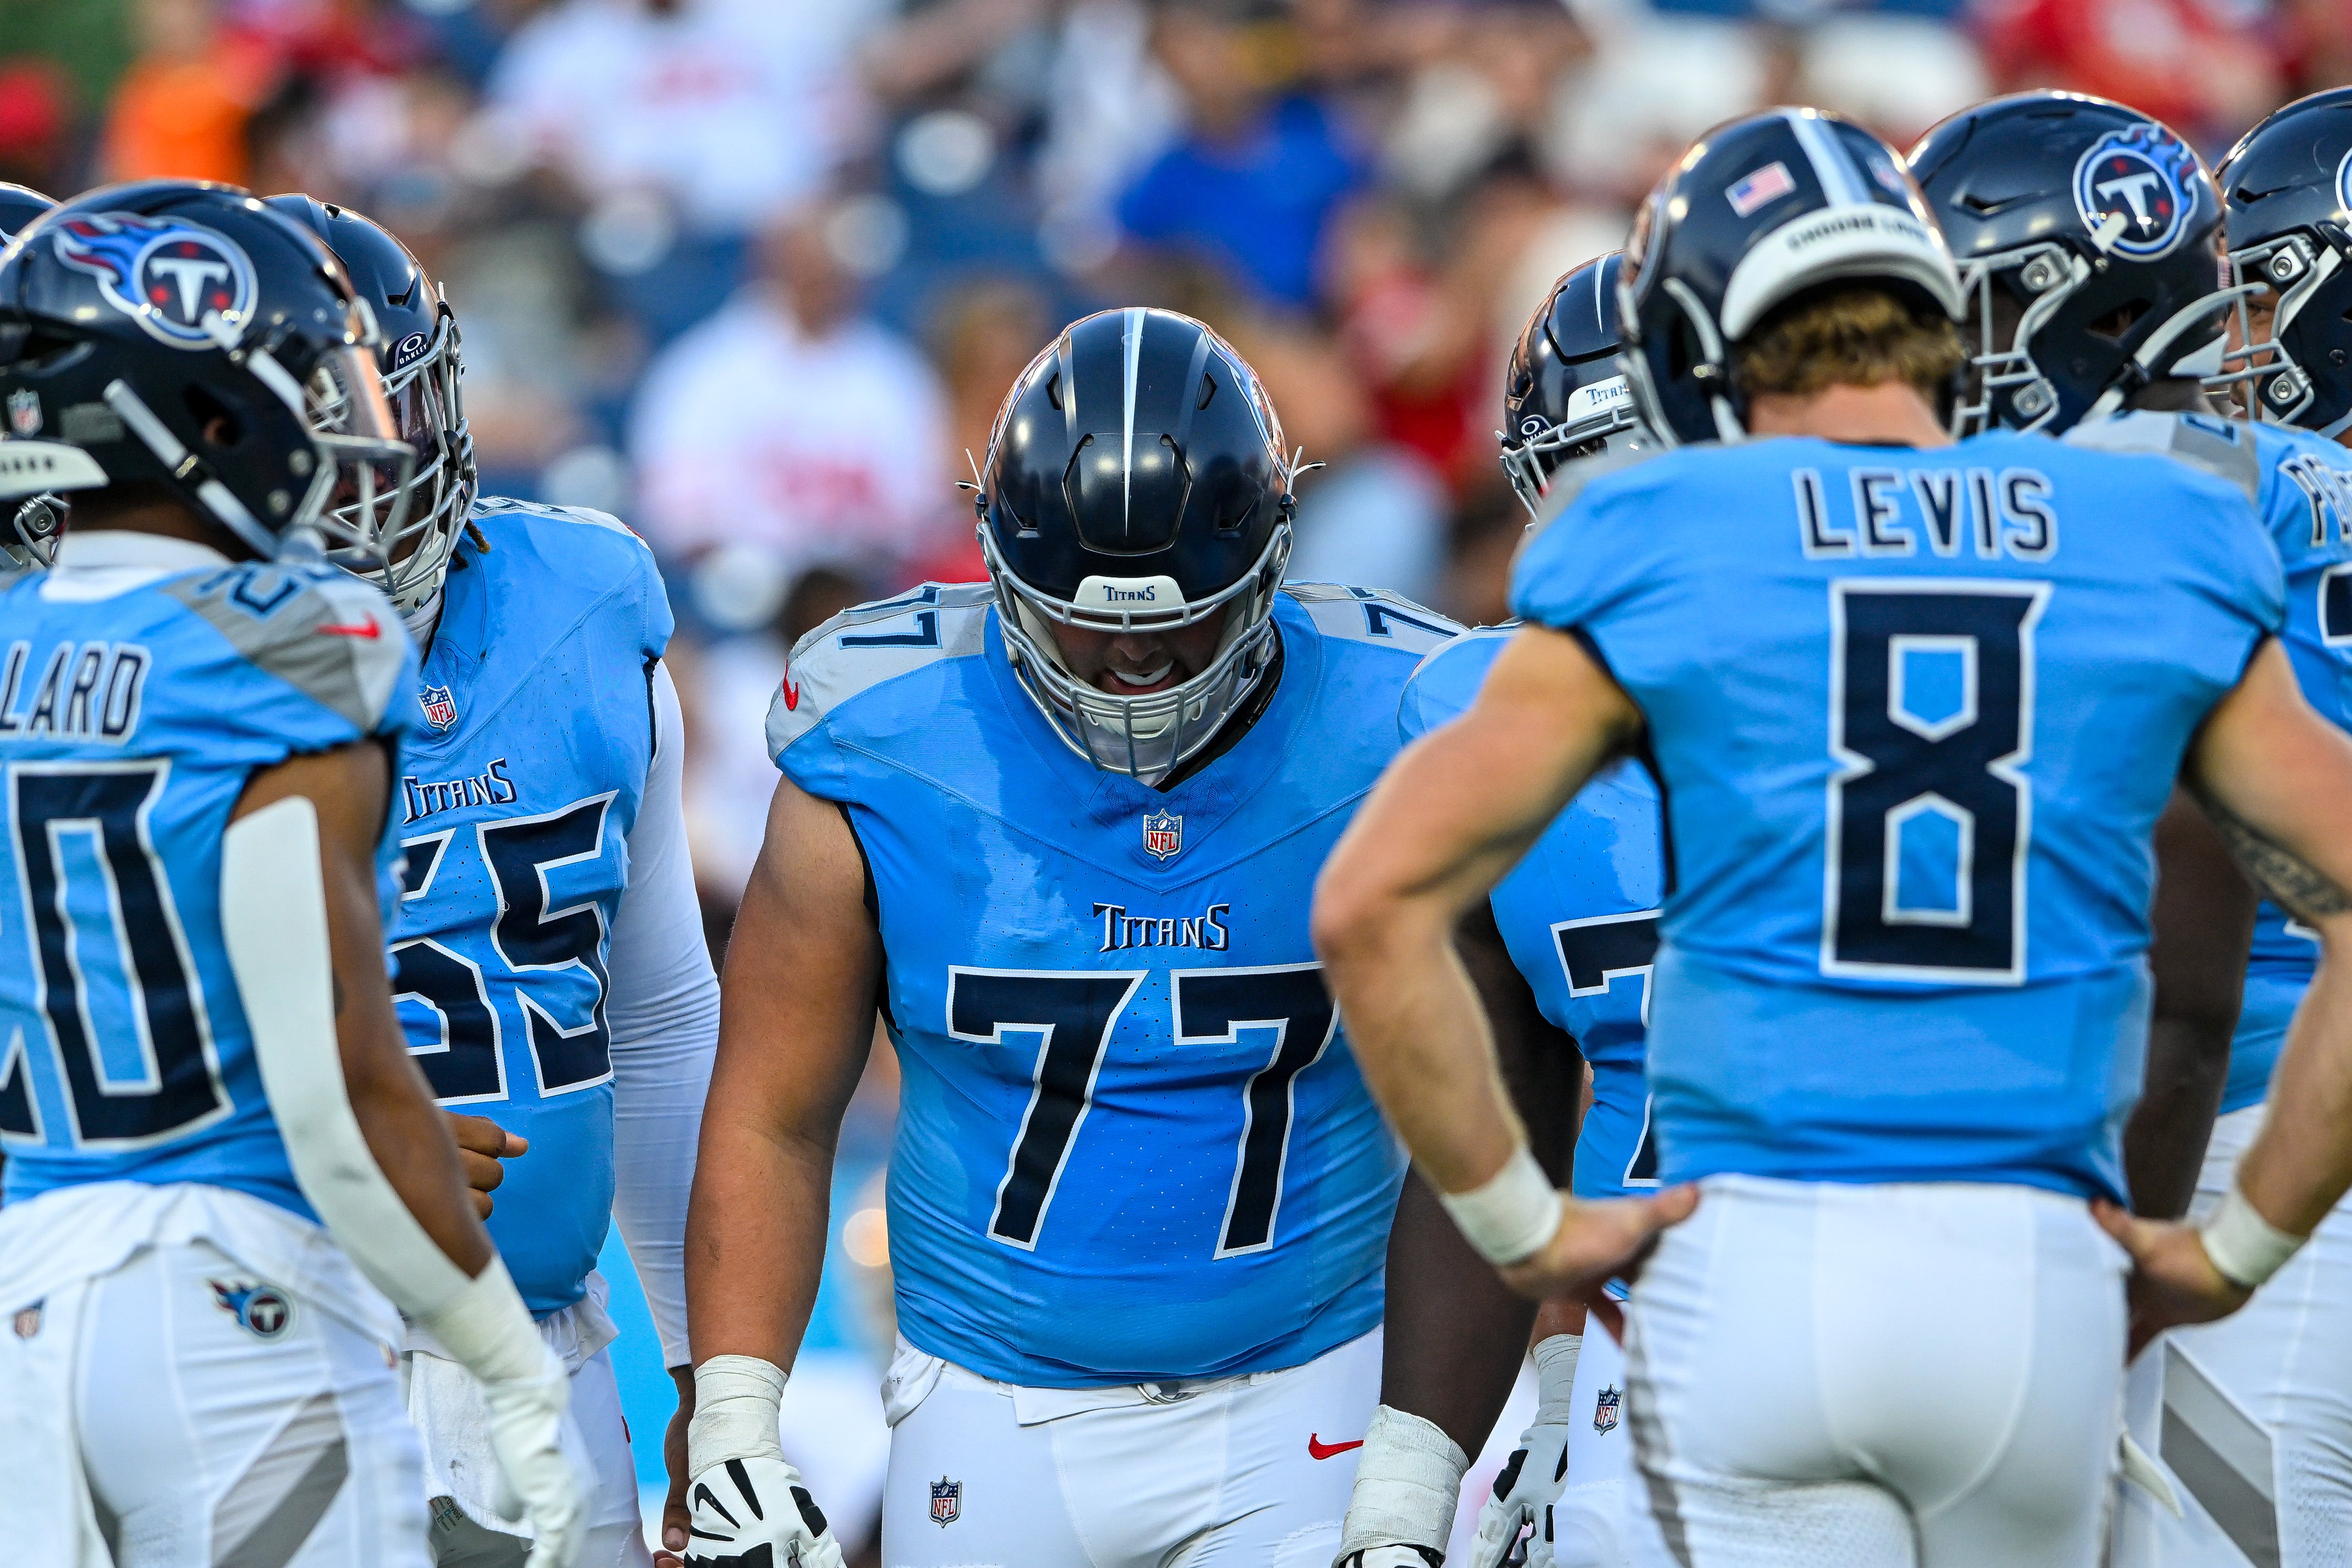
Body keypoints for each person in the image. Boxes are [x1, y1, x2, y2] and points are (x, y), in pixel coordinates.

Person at [1313, 106, 2352, 1568]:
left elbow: (1371, 907)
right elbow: (2234, 954)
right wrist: (2230, 1249)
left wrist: (1530, 1229)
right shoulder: (2147, 527)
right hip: (2032, 1264)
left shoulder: (1664, 535)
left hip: (1756, 1266)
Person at [682, 305, 1462, 1567]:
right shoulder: (878, 740)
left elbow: (1536, 1076)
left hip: (1314, 1385)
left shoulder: (1410, 721)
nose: (1133, 664)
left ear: (1269, 560)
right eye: (1088, 621)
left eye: (1178, 623)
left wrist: (1461, 1430)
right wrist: (732, 1415)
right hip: (989, 1397)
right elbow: (774, 1107)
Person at [0, 181, 580, 1566]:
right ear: (195, 410)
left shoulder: (12, 635)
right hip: (230, 1302)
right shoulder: (299, 640)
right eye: (304, 379)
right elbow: (330, 1083)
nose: (337, 425)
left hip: (21, 1303)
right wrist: (508, 1366)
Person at [1911, 86, 2352, 1566]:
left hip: (2246, 1137)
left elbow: (2189, 981)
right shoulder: (2290, 487)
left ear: (2078, 319)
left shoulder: (2136, 506)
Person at [267, 194, 720, 1568]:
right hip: (253, 1351)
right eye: (312, 452)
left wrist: (710, 1371)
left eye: (380, 429)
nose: (359, 492)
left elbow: (653, 1016)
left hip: (544, 1348)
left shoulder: (587, 600)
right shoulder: (137, 658)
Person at [1335, 254, 1664, 1568]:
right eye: (1577, 485)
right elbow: (1514, 1115)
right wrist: (1411, 1493)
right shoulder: (1480, 716)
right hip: (1649, 1357)